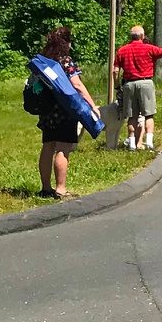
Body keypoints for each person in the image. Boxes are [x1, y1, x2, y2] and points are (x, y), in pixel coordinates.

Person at [36, 25, 99, 199]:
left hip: (47, 110)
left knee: (48, 146)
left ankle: (46, 188)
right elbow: (77, 85)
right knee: (63, 148)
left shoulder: (43, 61)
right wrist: (92, 105)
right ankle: (61, 189)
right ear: (66, 43)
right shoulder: (65, 61)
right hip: (65, 111)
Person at [113, 22, 162, 152]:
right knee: (149, 115)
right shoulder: (149, 48)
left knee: (132, 116)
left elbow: (115, 70)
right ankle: (149, 143)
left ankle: (132, 144)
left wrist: (117, 86)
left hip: (129, 84)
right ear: (142, 36)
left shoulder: (122, 50)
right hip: (146, 82)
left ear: (131, 37)